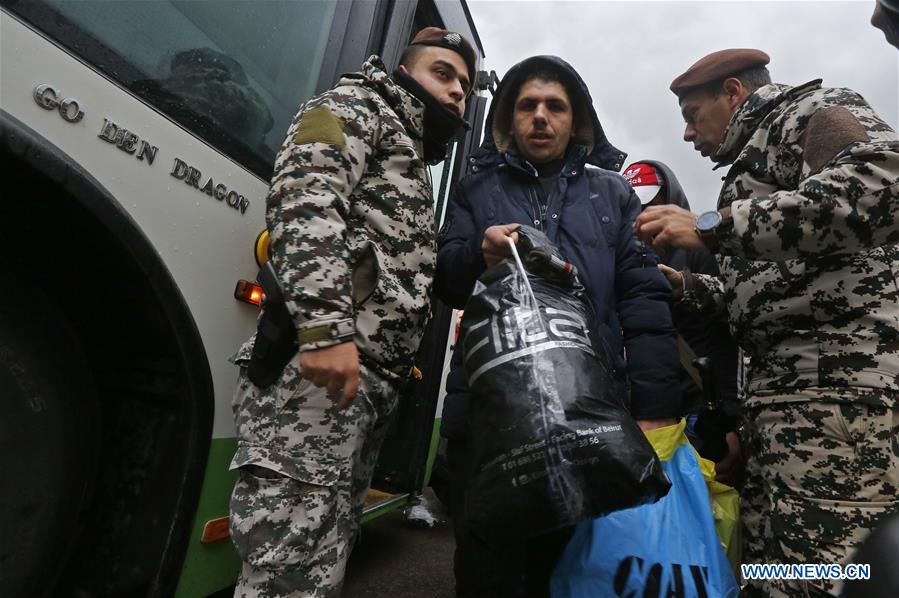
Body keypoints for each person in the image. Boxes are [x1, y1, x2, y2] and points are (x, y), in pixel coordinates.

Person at [633, 48, 899, 597]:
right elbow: (763, 293)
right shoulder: (747, 169)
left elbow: (881, 188)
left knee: (836, 573)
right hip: (781, 413)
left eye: (691, 115)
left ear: (734, 94)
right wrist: (686, 286)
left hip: (841, 409)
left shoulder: (812, 114)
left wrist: (710, 225)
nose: (687, 134)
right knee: (771, 571)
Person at [227, 27, 476, 597]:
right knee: (288, 566)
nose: (458, 91)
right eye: (443, 73)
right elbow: (307, 198)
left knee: (319, 558)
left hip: (361, 385)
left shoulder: (410, 154)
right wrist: (324, 331)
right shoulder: (356, 106)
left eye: (464, 83)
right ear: (404, 72)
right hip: (318, 375)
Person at [436, 55, 682, 597]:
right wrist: (479, 254)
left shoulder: (612, 195)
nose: (540, 117)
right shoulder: (476, 191)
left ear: (577, 120)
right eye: (527, 106)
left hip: (589, 419)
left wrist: (656, 409)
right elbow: (445, 282)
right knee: (486, 576)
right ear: (509, 119)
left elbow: (642, 300)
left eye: (555, 106)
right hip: (488, 423)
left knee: (572, 575)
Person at [624, 160, 743, 483]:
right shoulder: (618, 258)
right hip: (639, 418)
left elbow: (724, 337)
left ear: (671, 201)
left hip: (697, 417)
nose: (643, 214)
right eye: (635, 205)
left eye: (652, 203)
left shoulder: (700, 252)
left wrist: (729, 422)